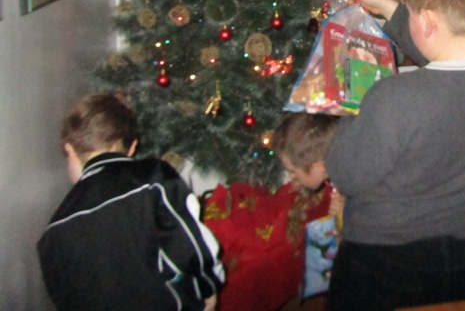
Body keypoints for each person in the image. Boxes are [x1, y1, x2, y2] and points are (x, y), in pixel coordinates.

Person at [325, 0, 465, 310]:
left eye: (412, 12)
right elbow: (446, 53)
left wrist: (352, 107)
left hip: (382, 262)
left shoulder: (392, 97)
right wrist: (391, 8)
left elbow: (346, 174)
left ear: (427, 21)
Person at [37, 92, 225, 311]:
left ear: (70, 150)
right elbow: (193, 245)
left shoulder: (53, 232)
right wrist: (208, 287)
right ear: (132, 147)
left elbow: (64, 300)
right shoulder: (153, 179)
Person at [271, 111, 343, 217]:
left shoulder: (356, 186)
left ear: (319, 167)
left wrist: (344, 214)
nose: (291, 176)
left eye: (293, 171)